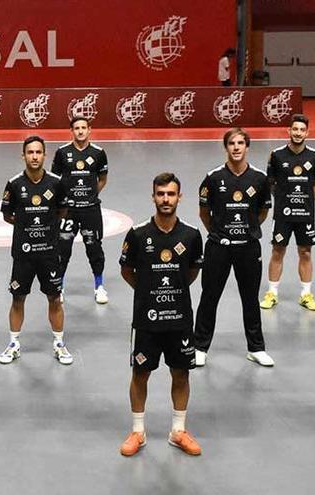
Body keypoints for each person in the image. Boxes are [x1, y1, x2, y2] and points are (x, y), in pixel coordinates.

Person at [118, 173, 203, 457]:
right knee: (140, 373)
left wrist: (172, 292)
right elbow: (127, 271)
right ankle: (138, 432)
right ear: (153, 196)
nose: (165, 199)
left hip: (179, 319)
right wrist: (148, 291)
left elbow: (191, 272)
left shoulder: (191, 235)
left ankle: (178, 430)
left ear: (180, 197)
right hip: (146, 320)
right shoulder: (138, 234)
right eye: (161, 194)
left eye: (171, 194)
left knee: (181, 373)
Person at [194, 128, 274, 367]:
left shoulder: (259, 179)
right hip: (219, 247)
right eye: (232, 143)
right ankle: (199, 347)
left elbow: (263, 212)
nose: (236, 147)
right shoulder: (213, 177)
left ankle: (256, 348)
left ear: (247, 146)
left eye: (241, 143)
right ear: (225, 147)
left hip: (248, 248)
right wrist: (219, 233)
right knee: (209, 296)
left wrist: (247, 231)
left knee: (250, 298)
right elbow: (204, 212)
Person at [0, 136, 72, 365]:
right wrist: (26, 226)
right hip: (23, 253)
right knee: (18, 298)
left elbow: (61, 210)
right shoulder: (14, 184)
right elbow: (7, 214)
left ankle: (59, 343)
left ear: (44, 155)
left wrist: (45, 228)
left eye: (38, 152)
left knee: (54, 298)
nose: (34, 156)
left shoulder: (56, 182)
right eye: (30, 152)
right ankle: (14, 343)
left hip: (49, 252)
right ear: (23, 155)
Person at [260, 114, 315, 311]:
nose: (298, 133)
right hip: (283, 215)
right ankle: (272, 293)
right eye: (294, 129)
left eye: (301, 130)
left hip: (305, 215)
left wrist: (305, 203)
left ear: (307, 132)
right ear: (289, 131)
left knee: (305, 252)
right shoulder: (276, 155)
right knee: (278, 250)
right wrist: (283, 200)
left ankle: (306, 294)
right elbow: (270, 184)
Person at [52, 116, 109, 304]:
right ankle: (59, 287)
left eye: (84, 127)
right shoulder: (62, 152)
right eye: (76, 128)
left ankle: (99, 286)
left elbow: (102, 179)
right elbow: (54, 179)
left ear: (89, 130)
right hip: (67, 211)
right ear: (72, 131)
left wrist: (90, 195)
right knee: (62, 249)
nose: (80, 131)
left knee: (94, 248)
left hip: (91, 210)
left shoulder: (99, 153)